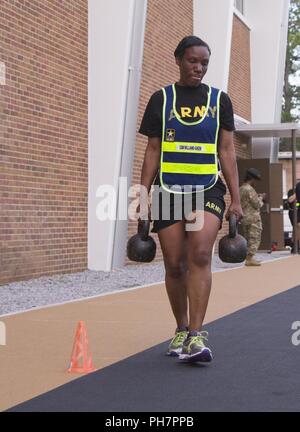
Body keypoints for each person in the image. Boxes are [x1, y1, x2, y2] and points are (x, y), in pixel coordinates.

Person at [137, 35, 243, 364]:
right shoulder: (161, 99)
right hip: (168, 190)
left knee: (199, 254)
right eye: (193, 61)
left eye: (204, 63)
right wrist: (142, 198)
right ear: (179, 60)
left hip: (207, 189)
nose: (199, 68)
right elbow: (152, 150)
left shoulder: (219, 100)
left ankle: (196, 336)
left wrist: (235, 200)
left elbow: (226, 150)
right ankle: (181, 328)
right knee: (174, 264)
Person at [239, 168, 265, 266]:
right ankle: (249, 258)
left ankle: (249, 257)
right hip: (253, 219)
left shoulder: (241, 188)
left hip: (245, 217)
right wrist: (262, 198)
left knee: (247, 238)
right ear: (252, 179)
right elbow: (257, 204)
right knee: (254, 238)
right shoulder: (249, 189)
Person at [287, 179, 300, 252]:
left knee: (296, 228)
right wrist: (296, 193)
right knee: (295, 228)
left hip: (298, 211)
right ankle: (295, 246)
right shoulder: (291, 191)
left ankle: (296, 245)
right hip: (293, 212)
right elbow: (290, 200)